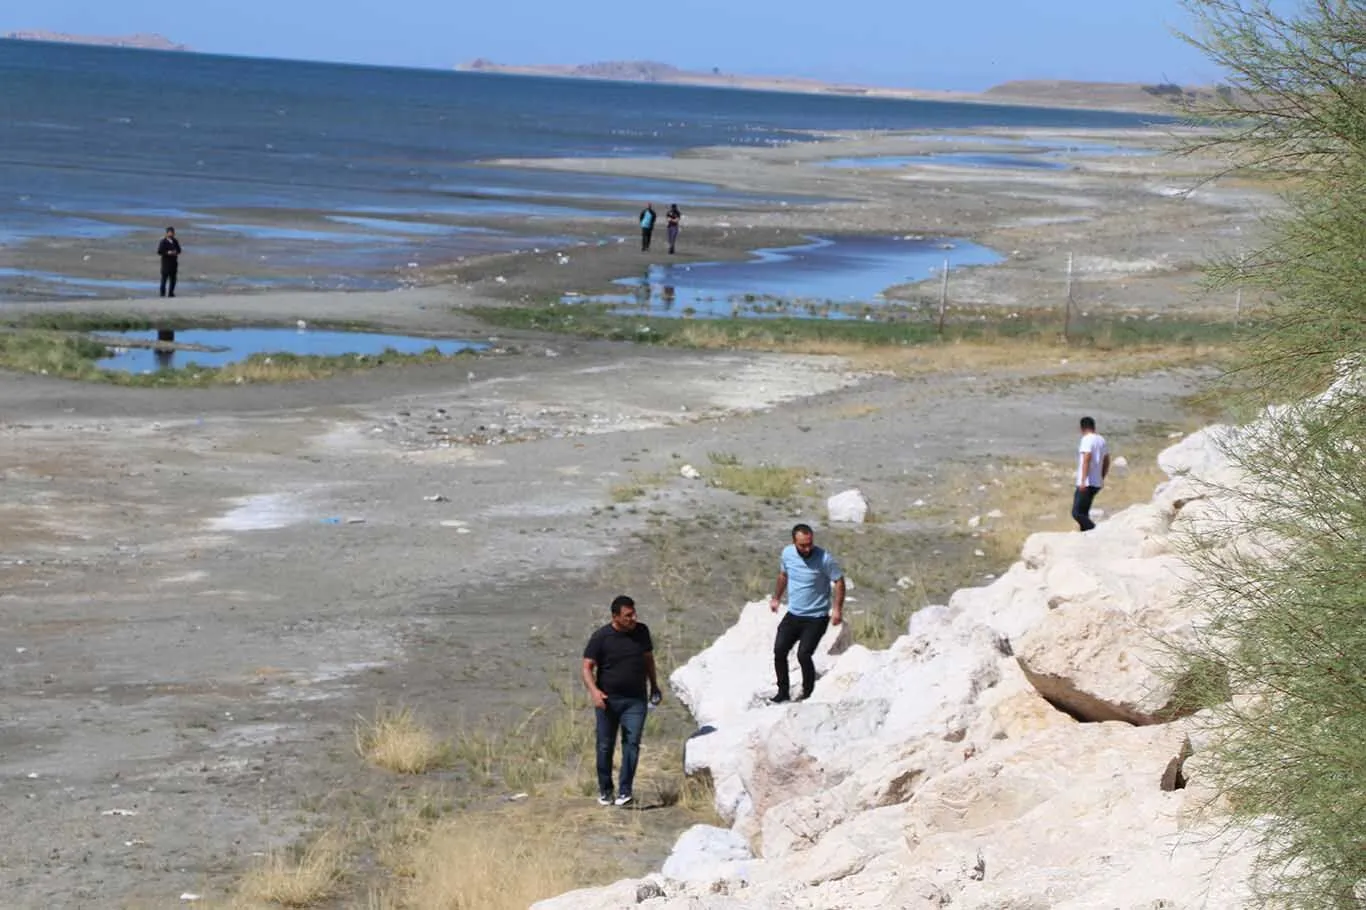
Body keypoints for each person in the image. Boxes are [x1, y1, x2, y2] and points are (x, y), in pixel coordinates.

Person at [582, 595, 661, 807]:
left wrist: (654, 685)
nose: (633, 618)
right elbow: (587, 667)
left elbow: (648, 660)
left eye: (634, 613)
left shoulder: (642, 632)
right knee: (605, 746)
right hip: (608, 702)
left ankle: (625, 792)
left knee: (632, 744)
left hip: (636, 701)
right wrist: (594, 692)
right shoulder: (601, 637)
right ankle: (606, 791)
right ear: (615, 616)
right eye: (628, 615)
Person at [768, 524, 844, 703]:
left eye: (810, 544)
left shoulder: (824, 559)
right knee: (779, 650)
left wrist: (837, 609)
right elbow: (783, 575)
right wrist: (776, 598)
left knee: (804, 654)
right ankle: (782, 691)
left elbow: (839, 581)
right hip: (794, 614)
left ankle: (808, 692)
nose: (807, 548)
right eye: (802, 545)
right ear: (794, 542)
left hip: (817, 617)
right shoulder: (787, 554)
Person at [1072, 416, 1111, 532]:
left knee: (1077, 513)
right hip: (1096, 482)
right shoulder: (1101, 440)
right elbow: (1107, 460)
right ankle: (1086, 534)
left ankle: (1095, 531)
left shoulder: (1087, 439)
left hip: (1087, 483)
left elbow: (1087, 458)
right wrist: (1101, 477)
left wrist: (1083, 481)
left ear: (1082, 428)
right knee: (1084, 513)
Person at [157, 226, 182, 298]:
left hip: (174, 263)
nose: (171, 234)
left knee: (173, 280)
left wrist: (175, 252)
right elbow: (159, 251)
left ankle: (171, 293)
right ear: (167, 233)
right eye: (170, 233)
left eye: (172, 233)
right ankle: (162, 294)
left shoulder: (175, 241)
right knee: (164, 279)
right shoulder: (163, 241)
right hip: (165, 263)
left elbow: (179, 250)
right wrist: (168, 252)